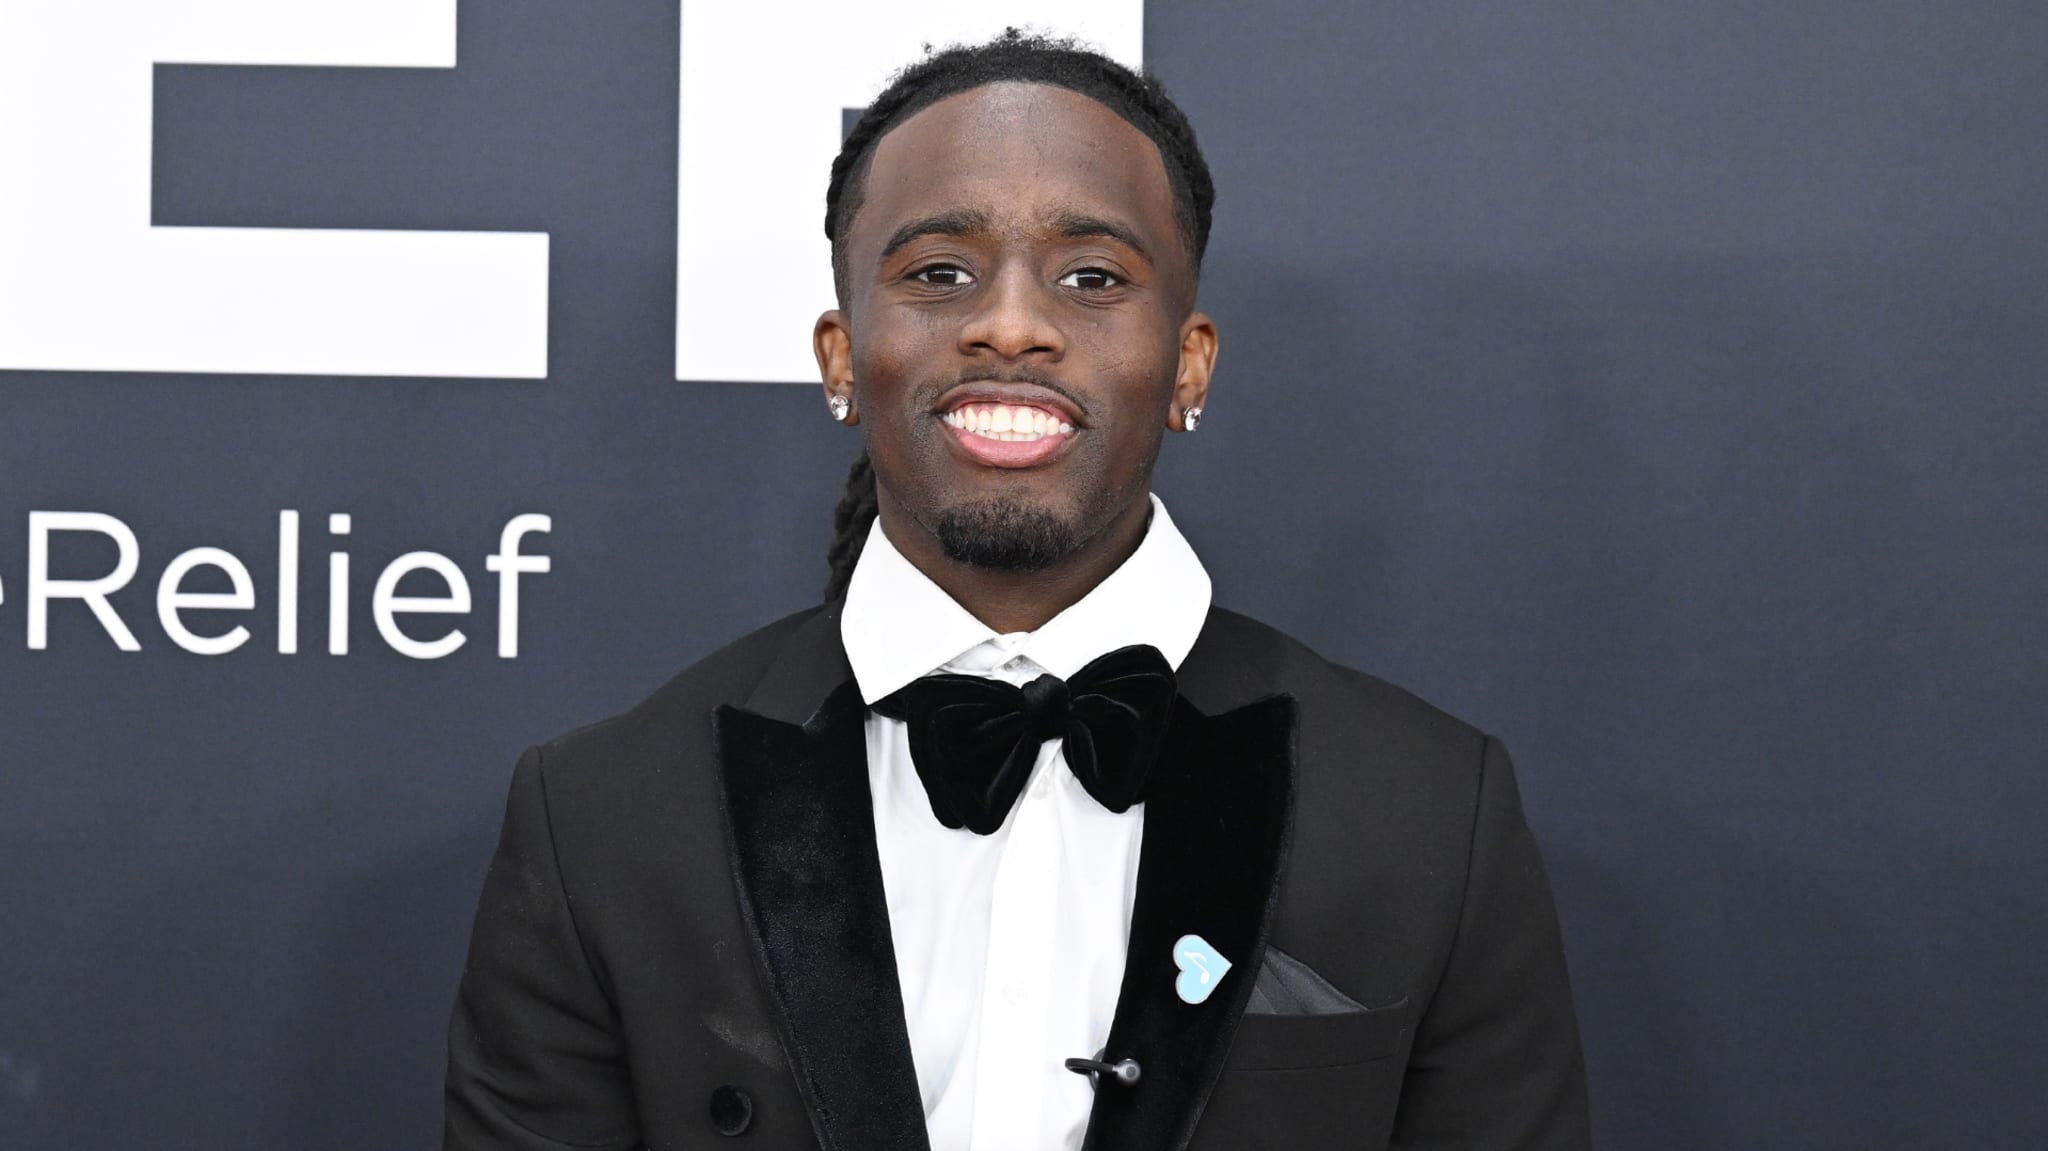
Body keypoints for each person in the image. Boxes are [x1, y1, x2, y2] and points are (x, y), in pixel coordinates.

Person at [443, 31, 1589, 1151]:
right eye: (938, 273)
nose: (1009, 324)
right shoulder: (602, 821)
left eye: (1091, 277)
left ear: (1188, 361)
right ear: (840, 355)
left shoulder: (1428, 814)